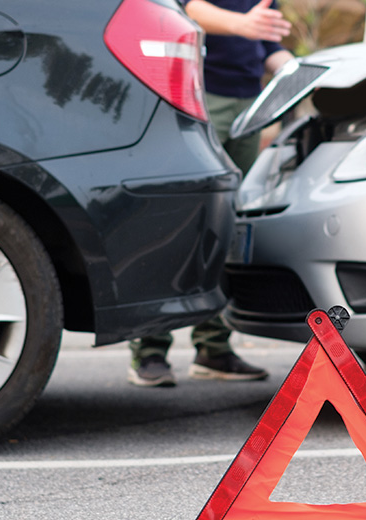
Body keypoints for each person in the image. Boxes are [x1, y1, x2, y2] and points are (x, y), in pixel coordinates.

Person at [128, 0, 295, 387]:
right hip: (198, 94)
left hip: (249, 102)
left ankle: (213, 347)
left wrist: (297, 73)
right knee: (180, 221)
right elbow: (184, 8)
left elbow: (267, 42)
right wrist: (242, 23)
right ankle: (150, 348)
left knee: (227, 226)